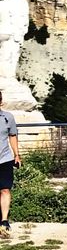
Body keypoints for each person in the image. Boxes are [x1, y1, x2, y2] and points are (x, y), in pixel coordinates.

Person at [0, 94, 21, 236]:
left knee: (5, 190)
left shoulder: (8, 117)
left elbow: (12, 136)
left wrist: (17, 155)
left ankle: (4, 220)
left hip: (4, 158)